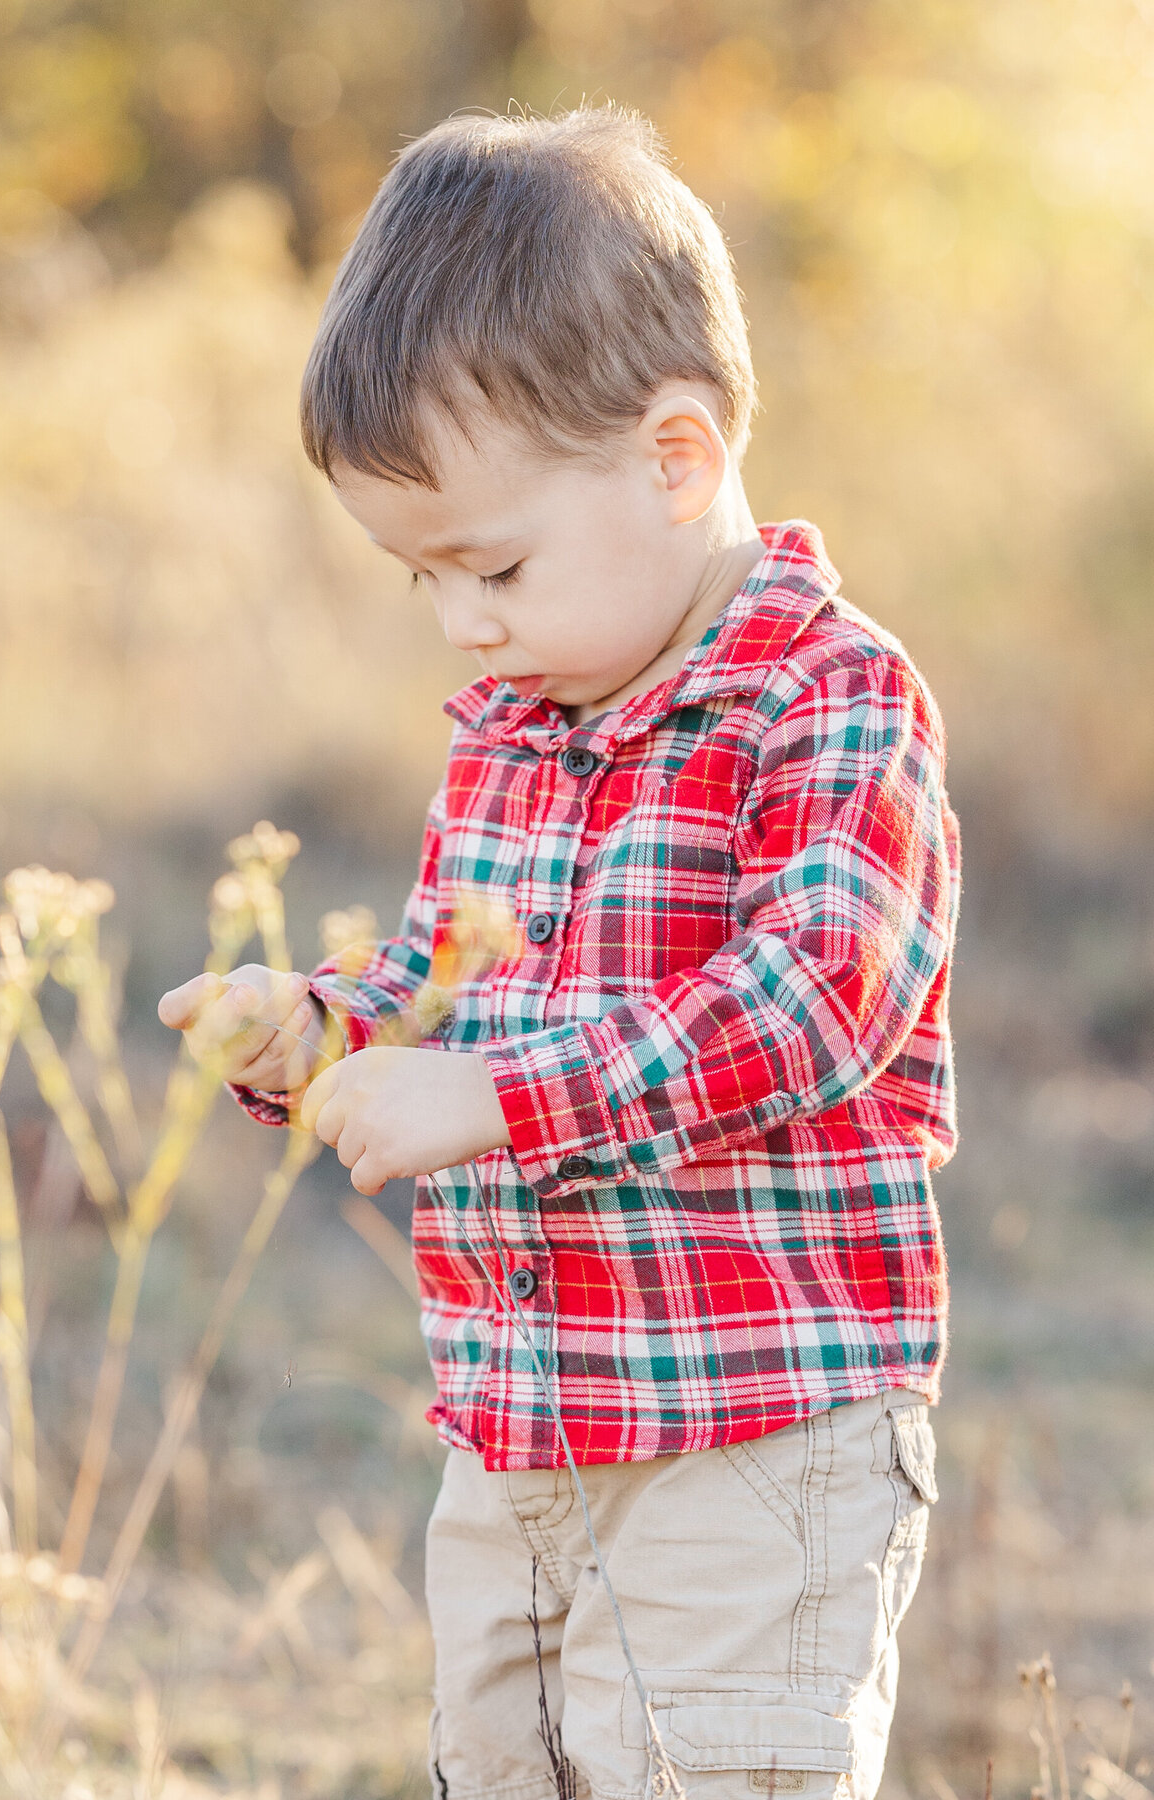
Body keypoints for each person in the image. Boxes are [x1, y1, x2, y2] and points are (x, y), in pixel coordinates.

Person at [159, 106, 959, 1800]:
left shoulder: (832, 698)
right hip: (518, 1425)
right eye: (420, 580)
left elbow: (815, 1005)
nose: (463, 623)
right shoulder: (518, 724)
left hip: (749, 1429)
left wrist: (502, 1100)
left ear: (677, 456)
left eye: (495, 564)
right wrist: (316, 1027)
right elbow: (456, 982)